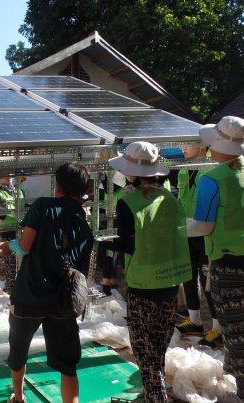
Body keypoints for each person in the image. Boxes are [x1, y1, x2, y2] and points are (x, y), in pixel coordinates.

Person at [0, 163, 93, 403]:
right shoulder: (85, 227)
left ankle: (18, 397)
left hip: (29, 295)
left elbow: (25, 245)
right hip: (63, 302)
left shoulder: (43, 206)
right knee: (67, 364)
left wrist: (7, 247)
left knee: (18, 350)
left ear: (58, 186)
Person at [109, 141, 191, 403]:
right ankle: (156, 392)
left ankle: (156, 396)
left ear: (131, 172)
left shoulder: (128, 202)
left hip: (142, 283)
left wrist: (108, 242)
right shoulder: (169, 197)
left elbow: (130, 242)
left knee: (144, 350)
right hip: (169, 280)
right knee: (159, 344)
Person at [187, 116, 244, 400]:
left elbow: (203, 226)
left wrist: (177, 229)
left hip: (229, 265)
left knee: (236, 330)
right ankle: (234, 375)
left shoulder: (212, 179)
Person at [174, 142, 221, 347]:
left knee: (207, 279)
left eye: (187, 144)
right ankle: (194, 321)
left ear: (203, 146)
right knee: (188, 274)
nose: (182, 148)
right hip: (187, 230)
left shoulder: (211, 169)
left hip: (206, 231)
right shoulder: (184, 171)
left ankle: (217, 328)